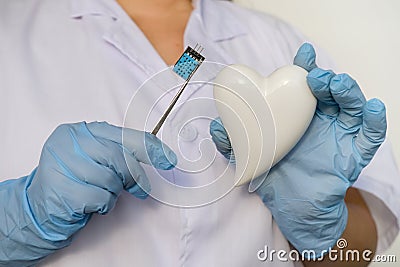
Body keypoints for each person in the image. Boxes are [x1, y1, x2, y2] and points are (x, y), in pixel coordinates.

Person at [0, 0, 399, 266]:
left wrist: (325, 229)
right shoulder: (13, 30)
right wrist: (20, 219)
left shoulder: (281, 44)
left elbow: (361, 252)